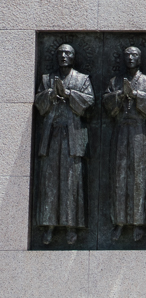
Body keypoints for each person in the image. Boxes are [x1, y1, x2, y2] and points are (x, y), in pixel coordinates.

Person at [33, 43, 92, 245]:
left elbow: (89, 104)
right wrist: (50, 94)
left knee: (71, 182)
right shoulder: (46, 79)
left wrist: (68, 95)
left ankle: (71, 227)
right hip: (52, 136)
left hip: (73, 137)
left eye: (68, 53)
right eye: (61, 53)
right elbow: (39, 104)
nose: (64, 56)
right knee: (50, 182)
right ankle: (48, 227)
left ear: (73, 57)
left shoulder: (82, 79)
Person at [102, 46, 146, 242]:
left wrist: (137, 96)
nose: (130, 58)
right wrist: (119, 96)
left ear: (140, 58)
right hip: (120, 130)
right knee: (119, 175)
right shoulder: (114, 81)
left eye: (134, 55)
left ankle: (137, 223)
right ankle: (119, 222)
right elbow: (106, 102)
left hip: (138, 131)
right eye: (127, 55)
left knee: (138, 177)